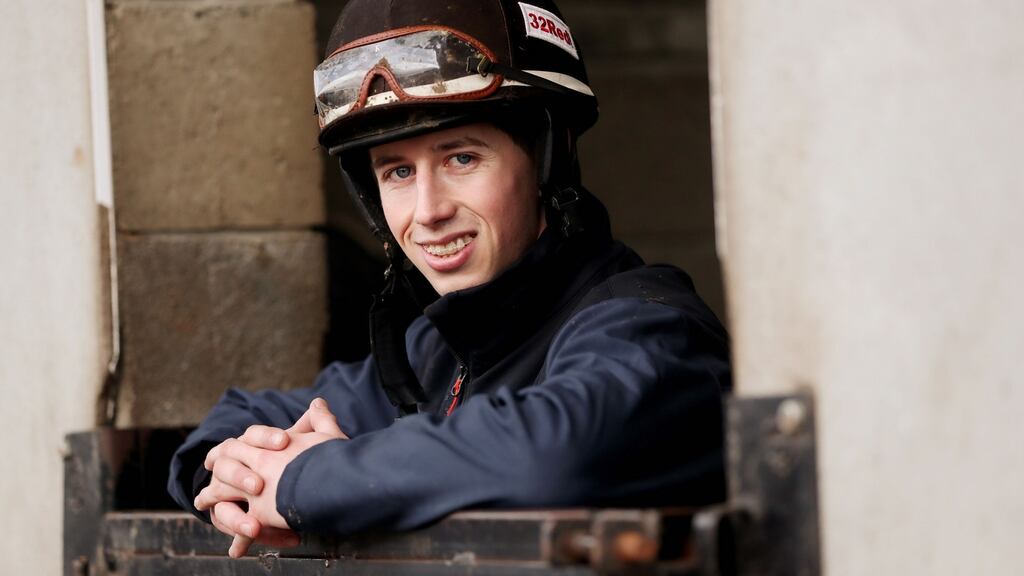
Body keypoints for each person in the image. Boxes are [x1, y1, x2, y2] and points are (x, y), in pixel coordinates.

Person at [168, 0, 731, 558]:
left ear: (546, 160)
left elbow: (557, 457)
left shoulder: (650, 326)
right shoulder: (438, 352)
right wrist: (236, 473)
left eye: (461, 158)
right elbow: (241, 413)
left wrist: (308, 480)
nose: (428, 209)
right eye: (398, 172)